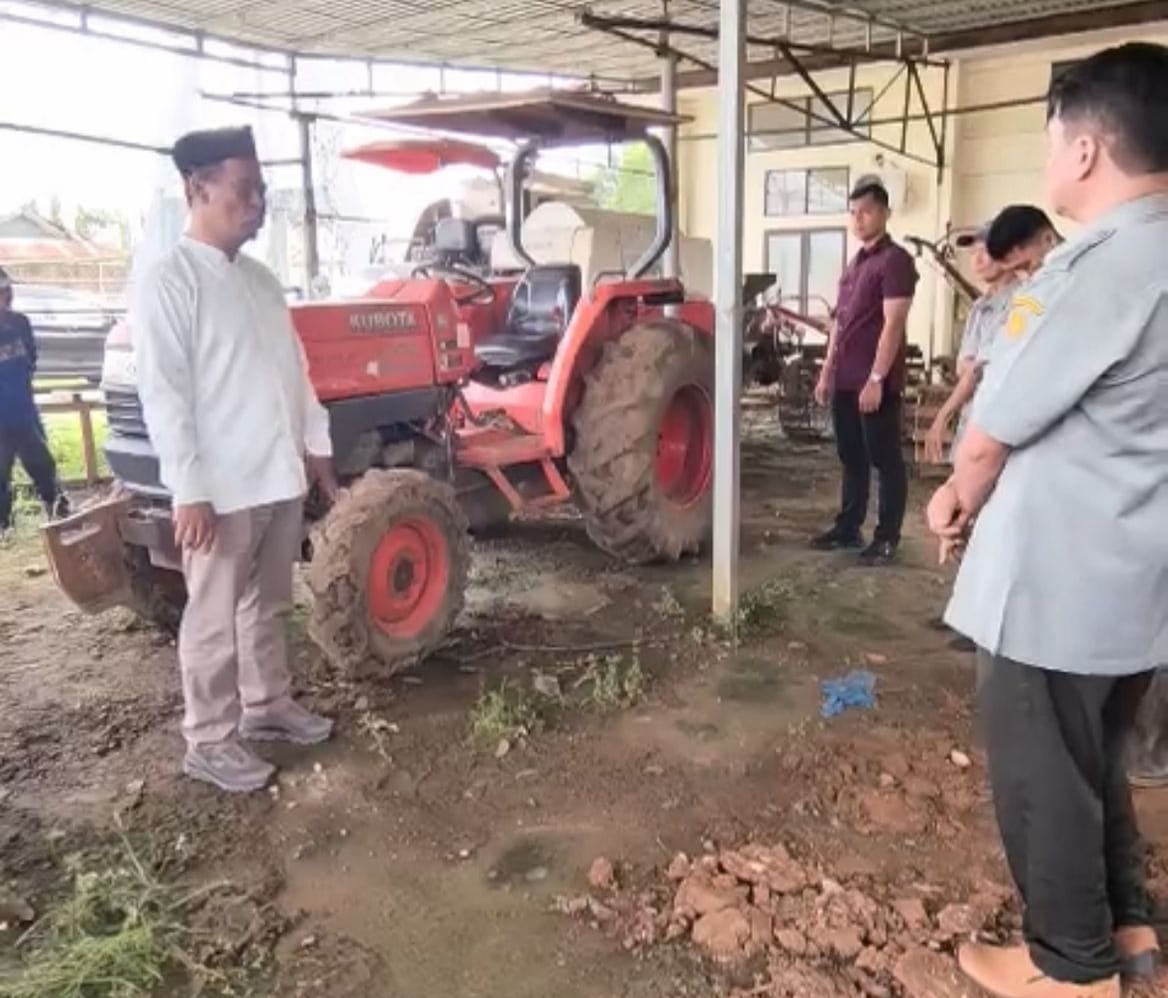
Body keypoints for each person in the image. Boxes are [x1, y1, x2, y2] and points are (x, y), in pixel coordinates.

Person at [927, 42, 1168, 998]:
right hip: (1132, 580)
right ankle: (1127, 929)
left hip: (1058, 586)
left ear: (1082, 151)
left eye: (1049, 140)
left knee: (1043, 777)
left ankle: (1068, 970)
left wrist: (957, 494)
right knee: (1098, 760)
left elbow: (998, 424)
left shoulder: (1100, 268)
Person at [132, 126, 338, 794]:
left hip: (275, 476)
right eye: (244, 190)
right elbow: (165, 394)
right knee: (213, 617)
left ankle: (267, 706)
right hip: (219, 489)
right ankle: (210, 739)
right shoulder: (169, 282)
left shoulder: (259, 280)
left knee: (268, 604)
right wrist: (187, 489)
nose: (258, 202)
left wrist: (317, 444)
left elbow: (293, 368)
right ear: (198, 189)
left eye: (263, 191)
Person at [812, 176, 917, 566]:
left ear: (885, 213)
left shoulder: (896, 262)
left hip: (874, 382)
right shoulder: (855, 264)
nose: (858, 220)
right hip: (845, 378)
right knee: (851, 456)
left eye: (866, 212)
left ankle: (887, 537)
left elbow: (893, 324)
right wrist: (826, 373)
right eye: (853, 213)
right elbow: (839, 323)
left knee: (885, 459)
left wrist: (876, 379)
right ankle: (848, 527)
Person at [923, 206, 1060, 465]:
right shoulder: (979, 308)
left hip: (998, 425)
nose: (977, 260)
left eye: (984, 252)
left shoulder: (1024, 301)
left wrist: (943, 415)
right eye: (973, 253)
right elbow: (966, 367)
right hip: (973, 419)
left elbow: (979, 370)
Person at [0, 267, 68, 534]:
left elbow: (30, 361)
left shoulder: (19, 324)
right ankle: (4, 524)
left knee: (41, 463)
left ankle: (57, 508)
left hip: (23, 409)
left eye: (4, 294)